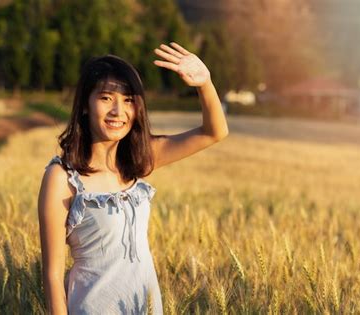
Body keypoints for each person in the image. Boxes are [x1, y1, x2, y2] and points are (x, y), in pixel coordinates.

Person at [37, 42, 229, 314]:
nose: (118, 111)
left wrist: (204, 83)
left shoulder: (138, 160)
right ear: (84, 106)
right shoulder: (62, 177)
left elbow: (214, 132)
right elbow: (53, 275)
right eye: (106, 98)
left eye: (128, 100)